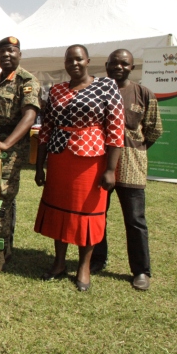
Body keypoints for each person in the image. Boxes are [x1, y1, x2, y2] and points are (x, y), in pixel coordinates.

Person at [34, 44, 125, 291]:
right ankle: (59, 262)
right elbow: (46, 129)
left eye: (78, 59)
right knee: (59, 210)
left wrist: (110, 169)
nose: (74, 64)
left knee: (88, 213)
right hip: (59, 159)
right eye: (69, 60)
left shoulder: (107, 86)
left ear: (87, 61)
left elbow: (116, 131)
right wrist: (39, 165)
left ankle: (84, 266)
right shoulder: (56, 90)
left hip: (91, 161)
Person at [91, 49, 163, 291]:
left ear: (132, 67)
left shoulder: (143, 93)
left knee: (135, 220)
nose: (119, 67)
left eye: (125, 64)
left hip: (132, 166)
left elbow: (154, 130)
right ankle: (97, 259)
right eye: (114, 63)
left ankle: (141, 270)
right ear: (106, 64)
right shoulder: (98, 90)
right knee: (98, 214)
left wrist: (135, 147)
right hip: (100, 164)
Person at [0, 36, 41, 273]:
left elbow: (29, 116)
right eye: (2, 52)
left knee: (1, 199)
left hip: (9, 148)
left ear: (19, 54)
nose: (6, 55)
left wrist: (6, 144)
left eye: (11, 51)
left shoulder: (26, 81)